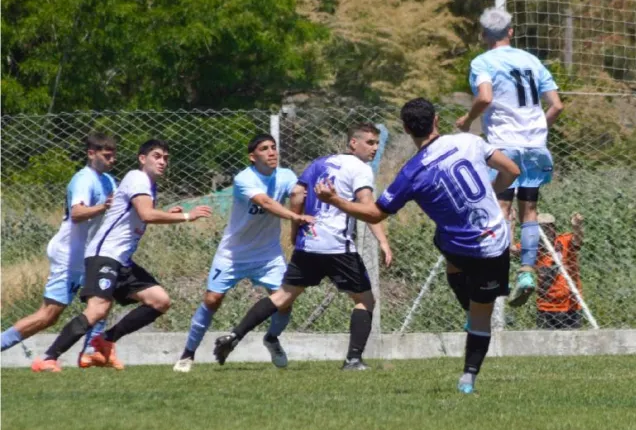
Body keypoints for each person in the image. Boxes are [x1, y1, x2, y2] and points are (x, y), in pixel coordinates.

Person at [318, 98, 520, 394]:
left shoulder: (411, 173)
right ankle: (468, 378)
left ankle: (467, 300)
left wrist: (335, 201)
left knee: (444, 241)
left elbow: (375, 213)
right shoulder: (468, 141)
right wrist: (489, 195)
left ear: (406, 128)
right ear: (436, 120)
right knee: (481, 317)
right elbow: (512, 170)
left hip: (460, 247)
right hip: (495, 243)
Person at [212, 124, 392, 371]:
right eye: (370, 142)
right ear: (353, 143)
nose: (375, 148)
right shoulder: (360, 169)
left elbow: (297, 194)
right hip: (338, 246)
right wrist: (383, 241)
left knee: (282, 296)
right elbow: (368, 207)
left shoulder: (320, 163)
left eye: (376, 143)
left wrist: (296, 231)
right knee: (365, 301)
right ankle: (353, 360)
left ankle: (234, 336)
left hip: (309, 243)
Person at [31, 140, 212, 372]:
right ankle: (48, 358)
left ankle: (104, 341)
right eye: (157, 156)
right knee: (97, 310)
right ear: (142, 159)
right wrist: (188, 216)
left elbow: (138, 215)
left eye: (166, 158)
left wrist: (167, 214)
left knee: (159, 301)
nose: (162, 162)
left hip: (121, 261)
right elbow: (146, 214)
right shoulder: (137, 178)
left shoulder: (147, 185)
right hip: (104, 256)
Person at [173, 134, 314, 373]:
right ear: (252, 156)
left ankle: (271, 339)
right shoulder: (244, 178)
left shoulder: (286, 175)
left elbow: (299, 195)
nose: (271, 152)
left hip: (268, 254)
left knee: (285, 302)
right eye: (264, 149)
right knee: (212, 300)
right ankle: (188, 354)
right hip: (233, 254)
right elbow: (266, 203)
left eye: (273, 148)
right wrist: (295, 217)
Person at [455, 7, 563, 308]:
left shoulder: (483, 62)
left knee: (501, 207)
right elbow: (556, 105)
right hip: (535, 145)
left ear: (482, 35)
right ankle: (527, 272)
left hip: (504, 144)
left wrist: (467, 121)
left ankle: (495, 271)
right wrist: (538, 129)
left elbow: (486, 97)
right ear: (511, 32)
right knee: (529, 210)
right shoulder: (532, 61)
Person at [1, 133, 117, 367]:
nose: (111, 160)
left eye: (113, 155)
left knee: (103, 299)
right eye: (106, 155)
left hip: (89, 256)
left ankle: (91, 353)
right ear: (91, 154)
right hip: (69, 256)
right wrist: (103, 206)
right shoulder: (84, 179)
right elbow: (77, 214)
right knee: (48, 315)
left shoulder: (109, 181)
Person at [534, 212, 586, 330]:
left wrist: (577, 226)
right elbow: (512, 249)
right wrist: (510, 225)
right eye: (541, 228)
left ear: (553, 228)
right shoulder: (533, 247)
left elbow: (577, 240)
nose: (545, 232)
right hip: (545, 307)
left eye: (548, 227)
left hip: (570, 306)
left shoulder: (564, 241)